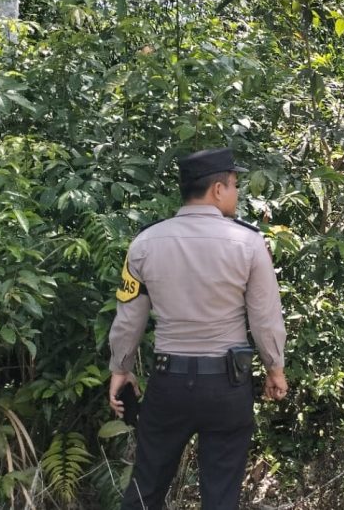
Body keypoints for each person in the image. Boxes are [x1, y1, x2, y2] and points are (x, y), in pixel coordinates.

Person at [107, 147, 288, 510]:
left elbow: (129, 317)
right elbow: (264, 317)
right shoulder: (249, 242)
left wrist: (120, 370)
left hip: (167, 384)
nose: (237, 194)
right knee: (221, 495)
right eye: (235, 185)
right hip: (226, 387)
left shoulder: (145, 242)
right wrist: (275, 368)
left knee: (146, 486)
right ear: (218, 190)